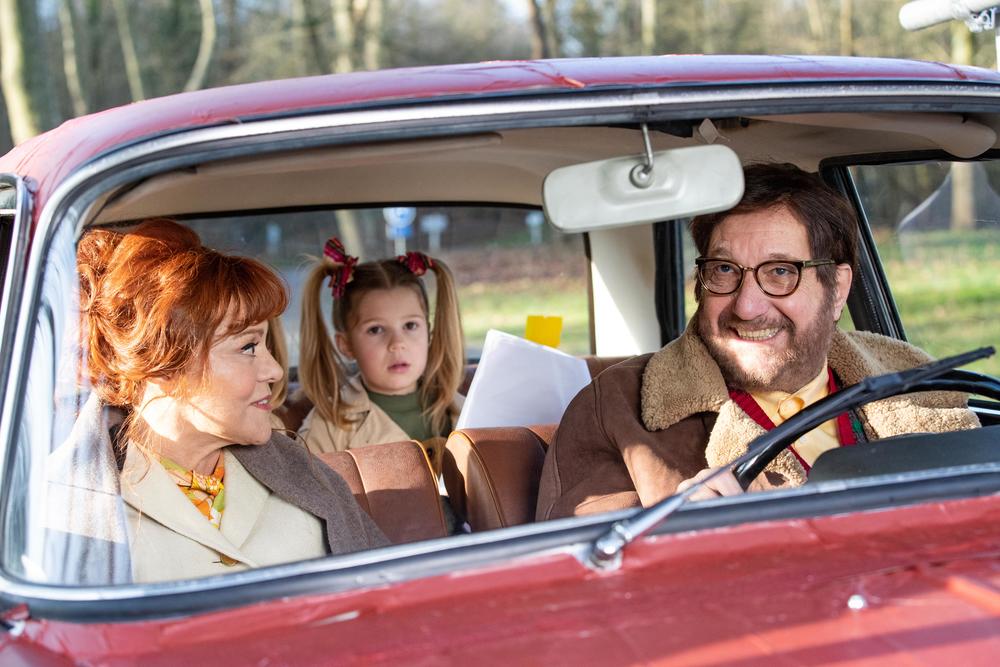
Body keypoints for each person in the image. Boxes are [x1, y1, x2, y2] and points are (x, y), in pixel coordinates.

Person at [536, 162, 981, 520]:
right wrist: (678, 537)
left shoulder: (916, 384)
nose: (747, 307)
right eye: (725, 270)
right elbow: (578, 590)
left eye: (781, 272)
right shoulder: (616, 410)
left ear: (838, 288)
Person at [47, 218, 387, 585]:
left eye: (265, 345)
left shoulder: (304, 472)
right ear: (165, 363)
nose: (273, 370)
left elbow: (394, 592)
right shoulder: (61, 511)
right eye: (248, 347)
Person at [297, 237, 465, 458]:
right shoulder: (327, 429)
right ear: (346, 345)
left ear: (429, 333)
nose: (397, 344)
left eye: (410, 325)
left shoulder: (460, 409)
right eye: (376, 330)